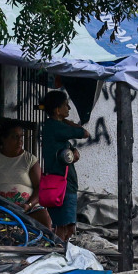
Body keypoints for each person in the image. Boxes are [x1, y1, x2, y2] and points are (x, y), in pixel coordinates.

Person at [37, 90, 90, 241]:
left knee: (68, 227)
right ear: (57, 110)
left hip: (64, 184)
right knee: (63, 228)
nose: (69, 108)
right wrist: (65, 121)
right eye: (66, 105)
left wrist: (73, 152)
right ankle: (60, 255)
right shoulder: (55, 127)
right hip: (62, 186)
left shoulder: (52, 127)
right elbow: (84, 133)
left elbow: (64, 151)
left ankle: (61, 253)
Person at [0, 122, 41, 204]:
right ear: (3, 138)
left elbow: (39, 188)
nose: (20, 141)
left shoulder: (30, 159)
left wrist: (29, 205)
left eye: (21, 136)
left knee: (44, 216)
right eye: (15, 137)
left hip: (28, 208)